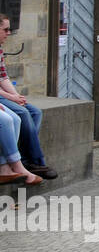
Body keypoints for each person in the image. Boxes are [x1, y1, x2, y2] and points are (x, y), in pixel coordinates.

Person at [0, 14, 55, 180]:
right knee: (20, 115)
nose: (9, 33)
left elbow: (3, 77)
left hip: (4, 94)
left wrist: (17, 96)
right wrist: (11, 97)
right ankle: (34, 162)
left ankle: (24, 159)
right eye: (5, 29)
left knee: (35, 112)